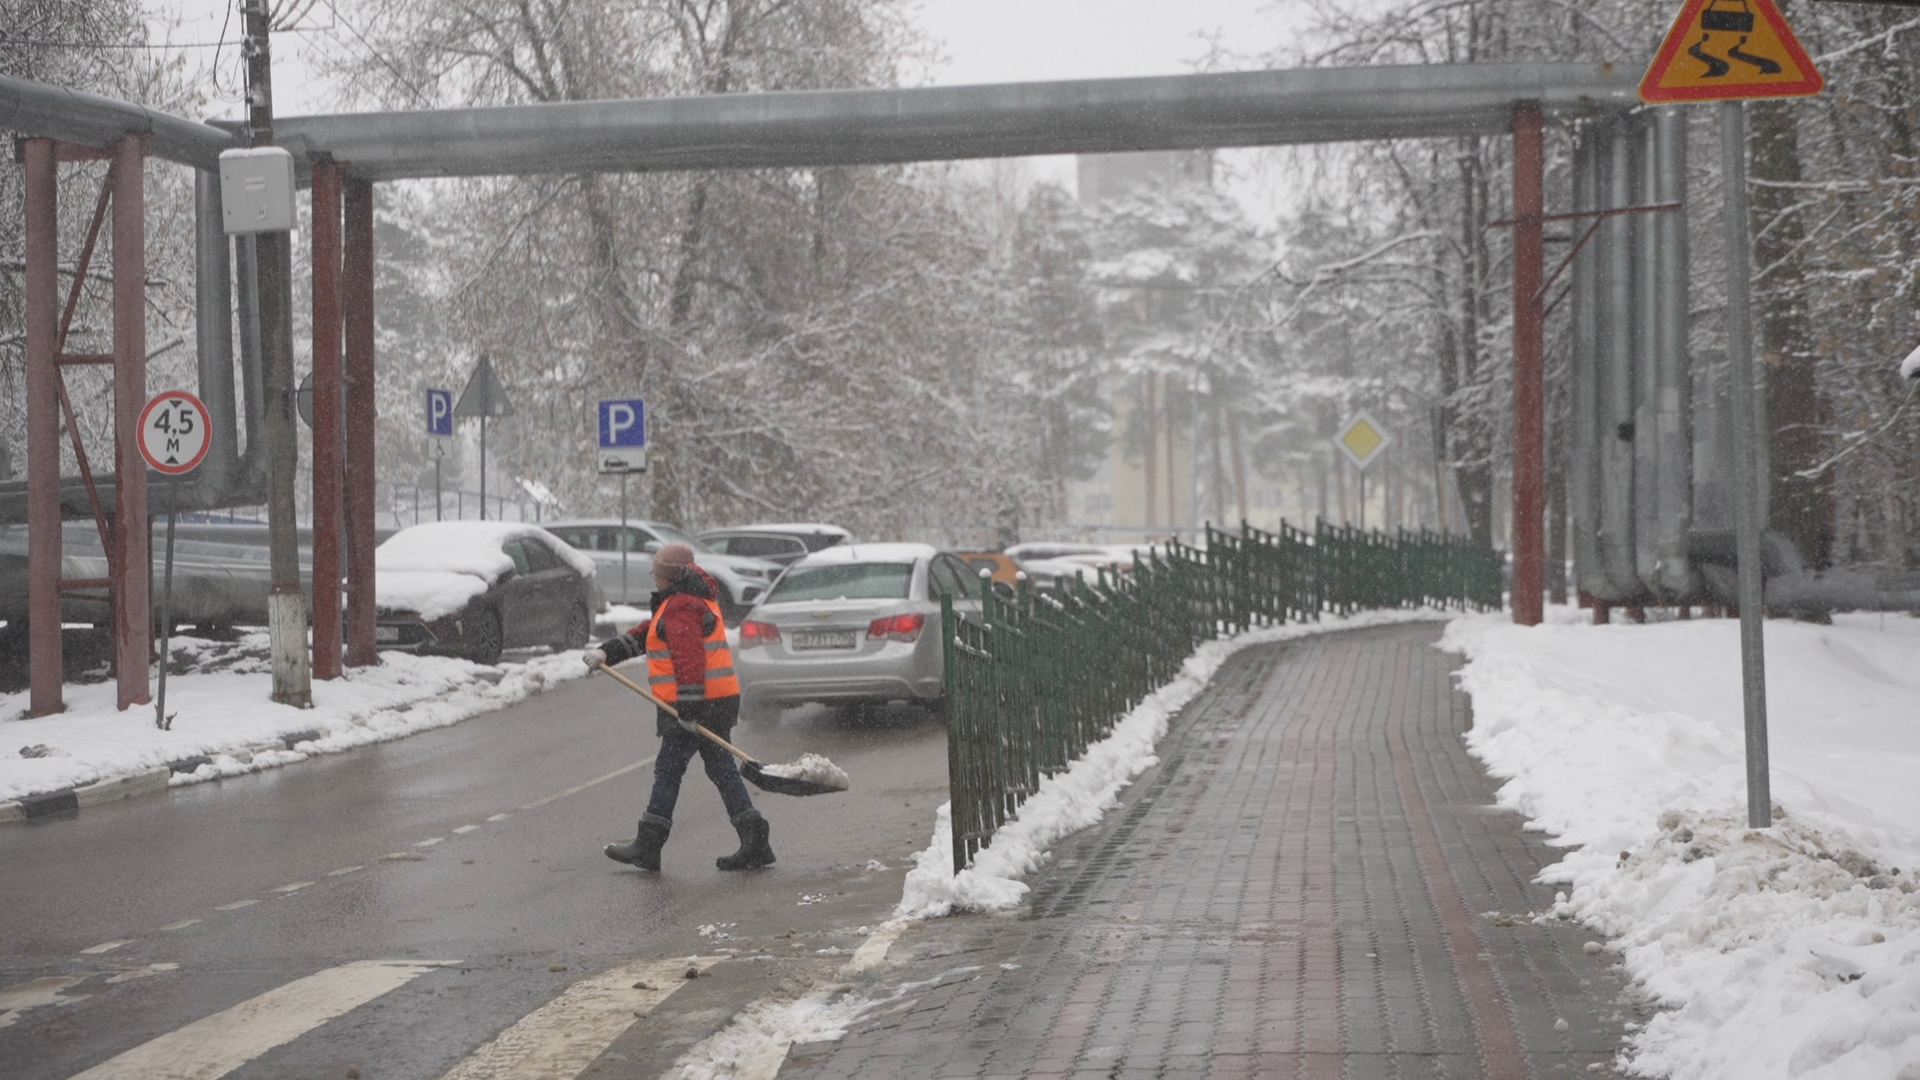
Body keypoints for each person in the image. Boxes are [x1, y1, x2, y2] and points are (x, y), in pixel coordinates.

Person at [584, 543, 774, 872]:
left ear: (669, 575)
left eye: (656, 571)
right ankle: (754, 836)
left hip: (697, 703)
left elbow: (688, 660)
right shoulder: (688, 598)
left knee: (669, 770)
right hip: (714, 699)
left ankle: (649, 844)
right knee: (721, 768)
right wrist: (607, 652)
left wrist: (689, 709)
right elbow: (650, 634)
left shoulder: (682, 606)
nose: (653, 577)